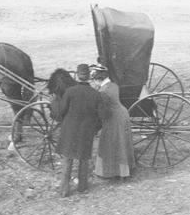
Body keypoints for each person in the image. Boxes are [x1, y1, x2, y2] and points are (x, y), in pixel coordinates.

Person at [49, 64, 100, 197]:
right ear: (88, 76)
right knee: (84, 160)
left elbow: (60, 112)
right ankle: (82, 188)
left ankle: (64, 190)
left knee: (67, 160)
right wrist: (93, 129)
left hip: (70, 131)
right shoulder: (95, 94)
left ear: (77, 75)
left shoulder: (70, 92)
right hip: (86, 132)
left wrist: (53, 102)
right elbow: (99, 116)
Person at [91, 65, 136, 181]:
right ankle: (125, 169)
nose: (94, 83)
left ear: (98, 79)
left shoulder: (103, 91)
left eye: (94, 80)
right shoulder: (113, 85)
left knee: (111, 143)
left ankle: (114, 171)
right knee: (121, 141)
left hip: (114, 118)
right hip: (122, 114)